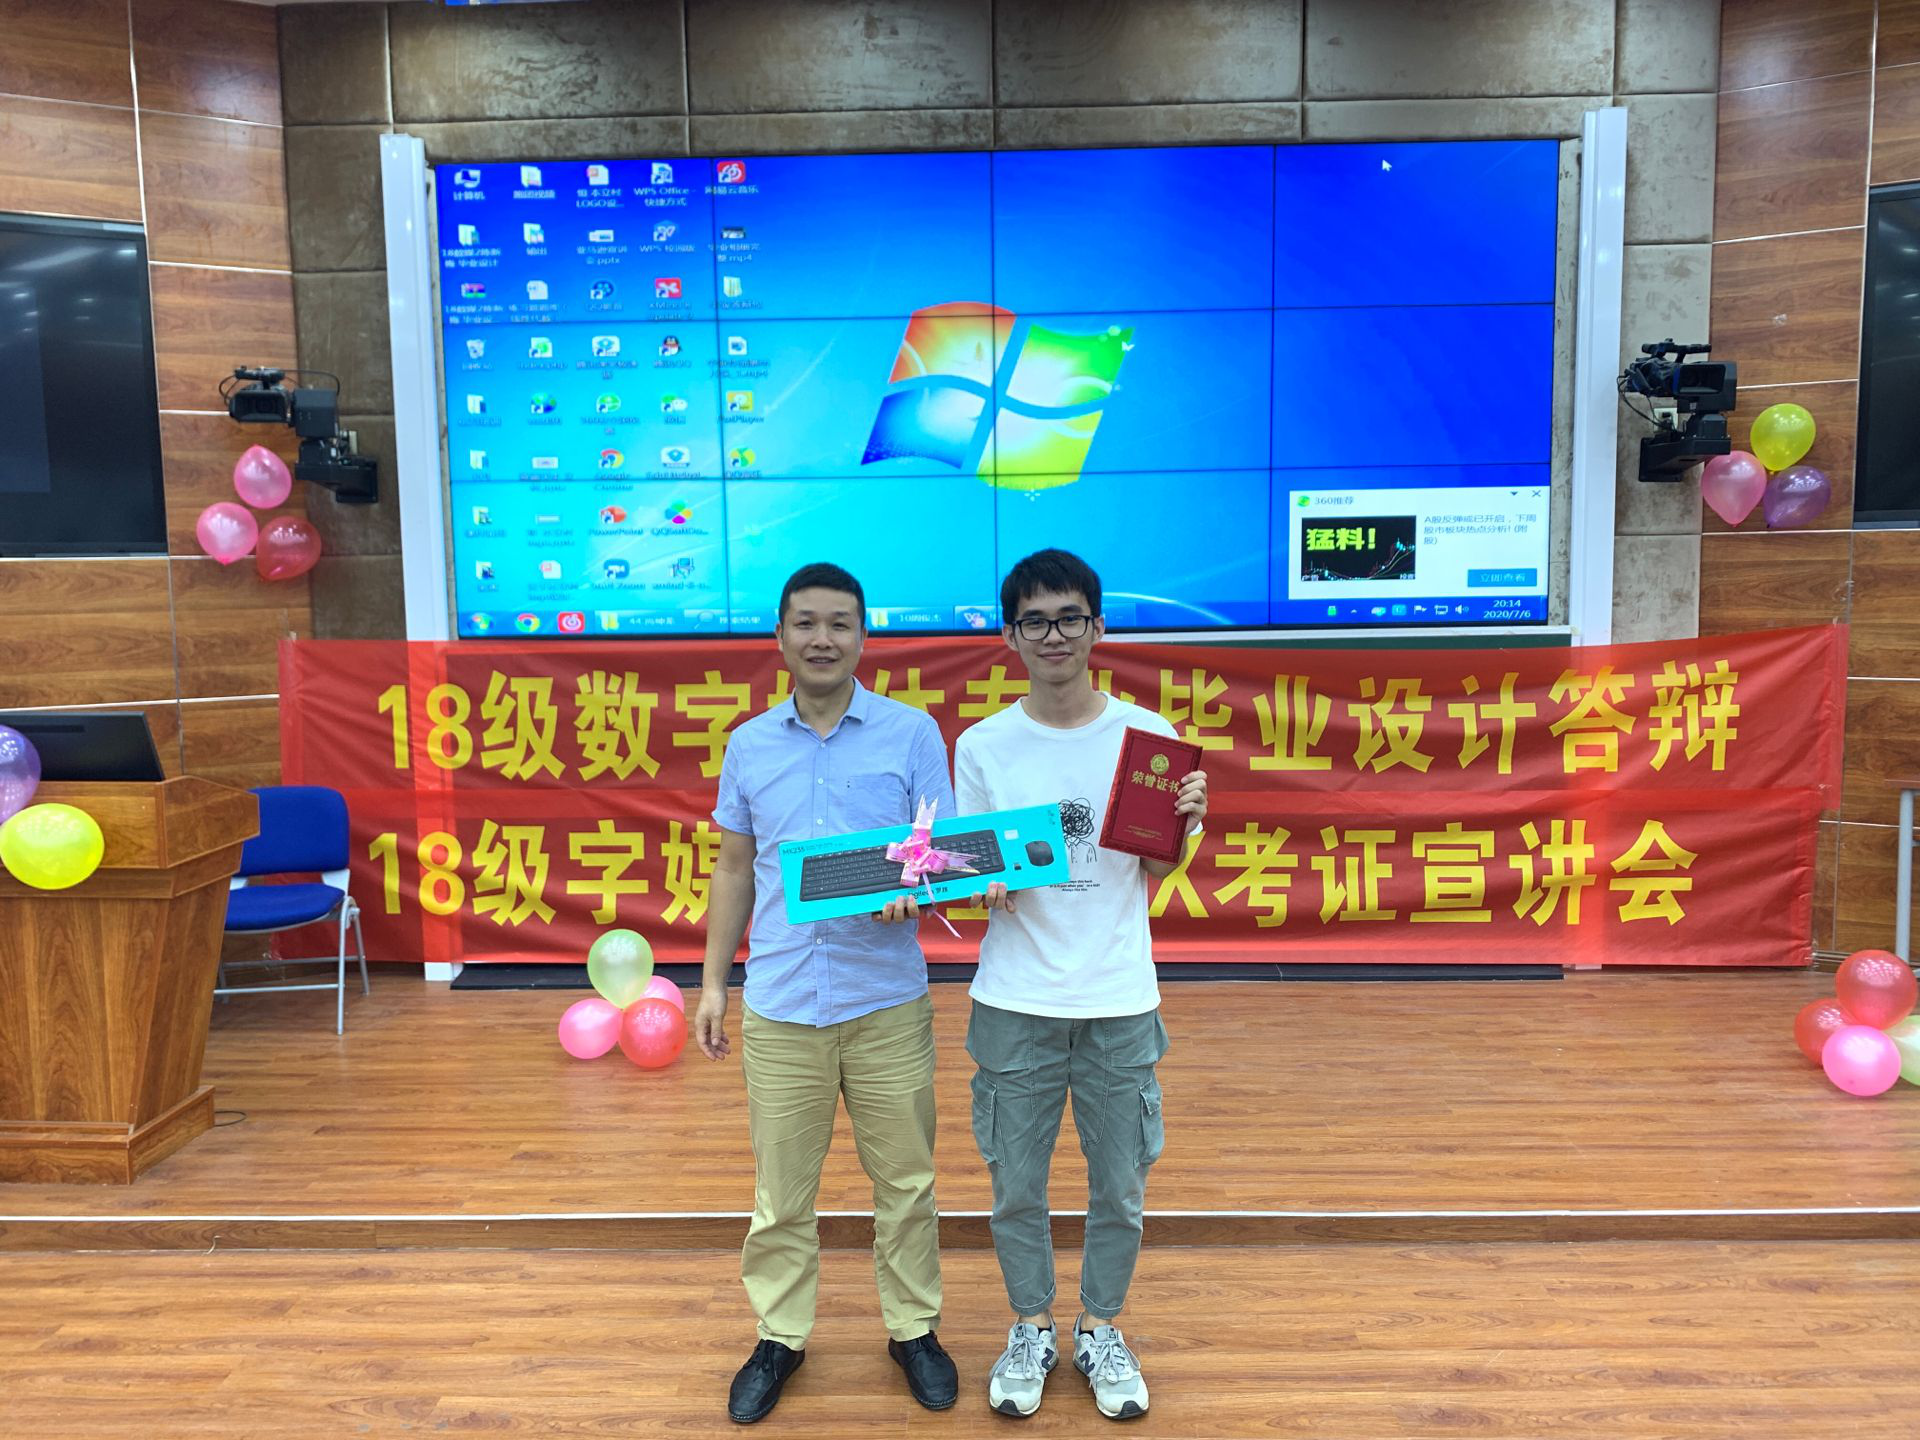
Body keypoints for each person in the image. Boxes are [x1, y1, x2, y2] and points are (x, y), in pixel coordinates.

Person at [693, 562, 960, 1425]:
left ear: (863, 637)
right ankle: (780, 1335)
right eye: (805, 623)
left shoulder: (912, 734)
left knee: (907, 1183)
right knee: (781, 1193)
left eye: (839, 623)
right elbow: (735, 867)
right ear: (779, 636)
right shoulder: (748, 745)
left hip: (885, 1001)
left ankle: (913, 1329)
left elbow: (945, 855)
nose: (822, 639)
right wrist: (712, 985)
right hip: (780, 1002)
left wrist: (916, 885)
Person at [954, 549, 1207, 1421]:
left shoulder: (1149, 740)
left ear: (1097, 627)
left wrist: (1188, 826)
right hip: (1014, 1000)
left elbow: (1158, 874)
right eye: (1035, 620)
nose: (1053, 635)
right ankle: (1031, 1325)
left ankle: (1100, 1327)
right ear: (1010, 635)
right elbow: (976, 870)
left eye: (1069, 618)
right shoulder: (983, 746)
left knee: (1120, 1188)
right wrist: (981, 881)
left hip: (1119, 999)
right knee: (1015, 1187)